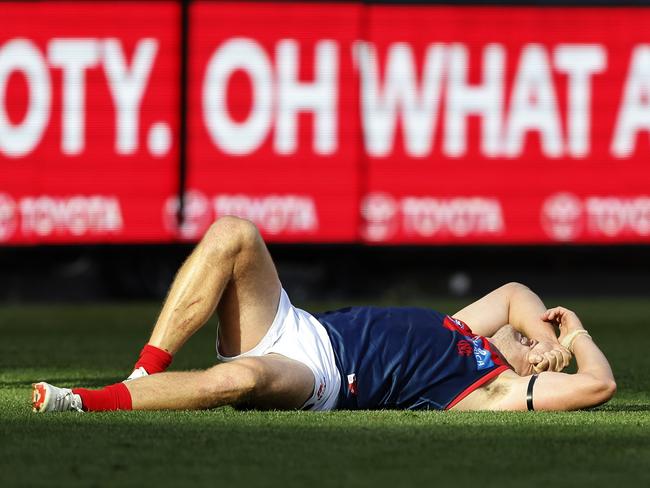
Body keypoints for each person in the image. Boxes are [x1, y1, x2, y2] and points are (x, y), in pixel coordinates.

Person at [31, 217, 616, 414]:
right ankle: (143, 374)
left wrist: (574, 341)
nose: (529, 335)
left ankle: (85, 400)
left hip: (320, 380)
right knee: (234, 233)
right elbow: (517, 291)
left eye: (538, 351)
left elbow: (600, 384)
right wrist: (553, 331)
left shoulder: (494, 390)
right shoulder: (470, 330)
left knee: (242, 380)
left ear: (537, 372)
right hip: (300, 325)